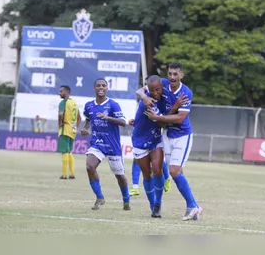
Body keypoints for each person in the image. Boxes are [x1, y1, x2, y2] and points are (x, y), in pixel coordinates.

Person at [138, 62, 202, 221]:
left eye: (176, 74)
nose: (172, 77)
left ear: (182, 75)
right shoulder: (162, 84)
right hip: (166, 134)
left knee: (173, 171)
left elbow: (180, 118)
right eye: (170, 74)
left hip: (182, 135)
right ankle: (195, 206)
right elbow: (140, 90)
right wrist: (145, 96)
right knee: (176, 172)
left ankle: (192, 206)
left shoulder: (186, 92)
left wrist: (159, 117)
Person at [80, 78, 131, 211]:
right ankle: (100, 197)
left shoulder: (113, 105)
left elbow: (123, 122)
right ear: (94, 88)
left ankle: (126, 200)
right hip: (97, 142)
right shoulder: (89, 105)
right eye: (98, 85)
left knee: (119, 175)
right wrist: (85, 128)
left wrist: (108, 118)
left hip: (112, 145)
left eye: (103, 85)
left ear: (107, 88)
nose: (101, 87)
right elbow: (88, 118)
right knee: (90, 166)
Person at [131, 75, 169, 218]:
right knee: (147, 174)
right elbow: (162, 123)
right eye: (151, 90)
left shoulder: (164, 98)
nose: (154, 93)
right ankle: (152, 205)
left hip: (155, 139)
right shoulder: (147, 102)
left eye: (157, 89)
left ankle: (158, 204)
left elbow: (161, 122)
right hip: (139, 141)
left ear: (161, 87)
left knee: (157, 170)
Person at [57, 85, 81, 180]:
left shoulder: (64, 102)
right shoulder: (74, 103)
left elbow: (60, 114)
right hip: (73, 129)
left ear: (66, 92)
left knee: (64, 151)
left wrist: (59, 124)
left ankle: (64, 175)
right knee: (69, 151)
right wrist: (75, 126)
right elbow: (79, 117)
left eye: (61, 91)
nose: (59, 93)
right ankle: (72, 174)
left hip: (65, 128)